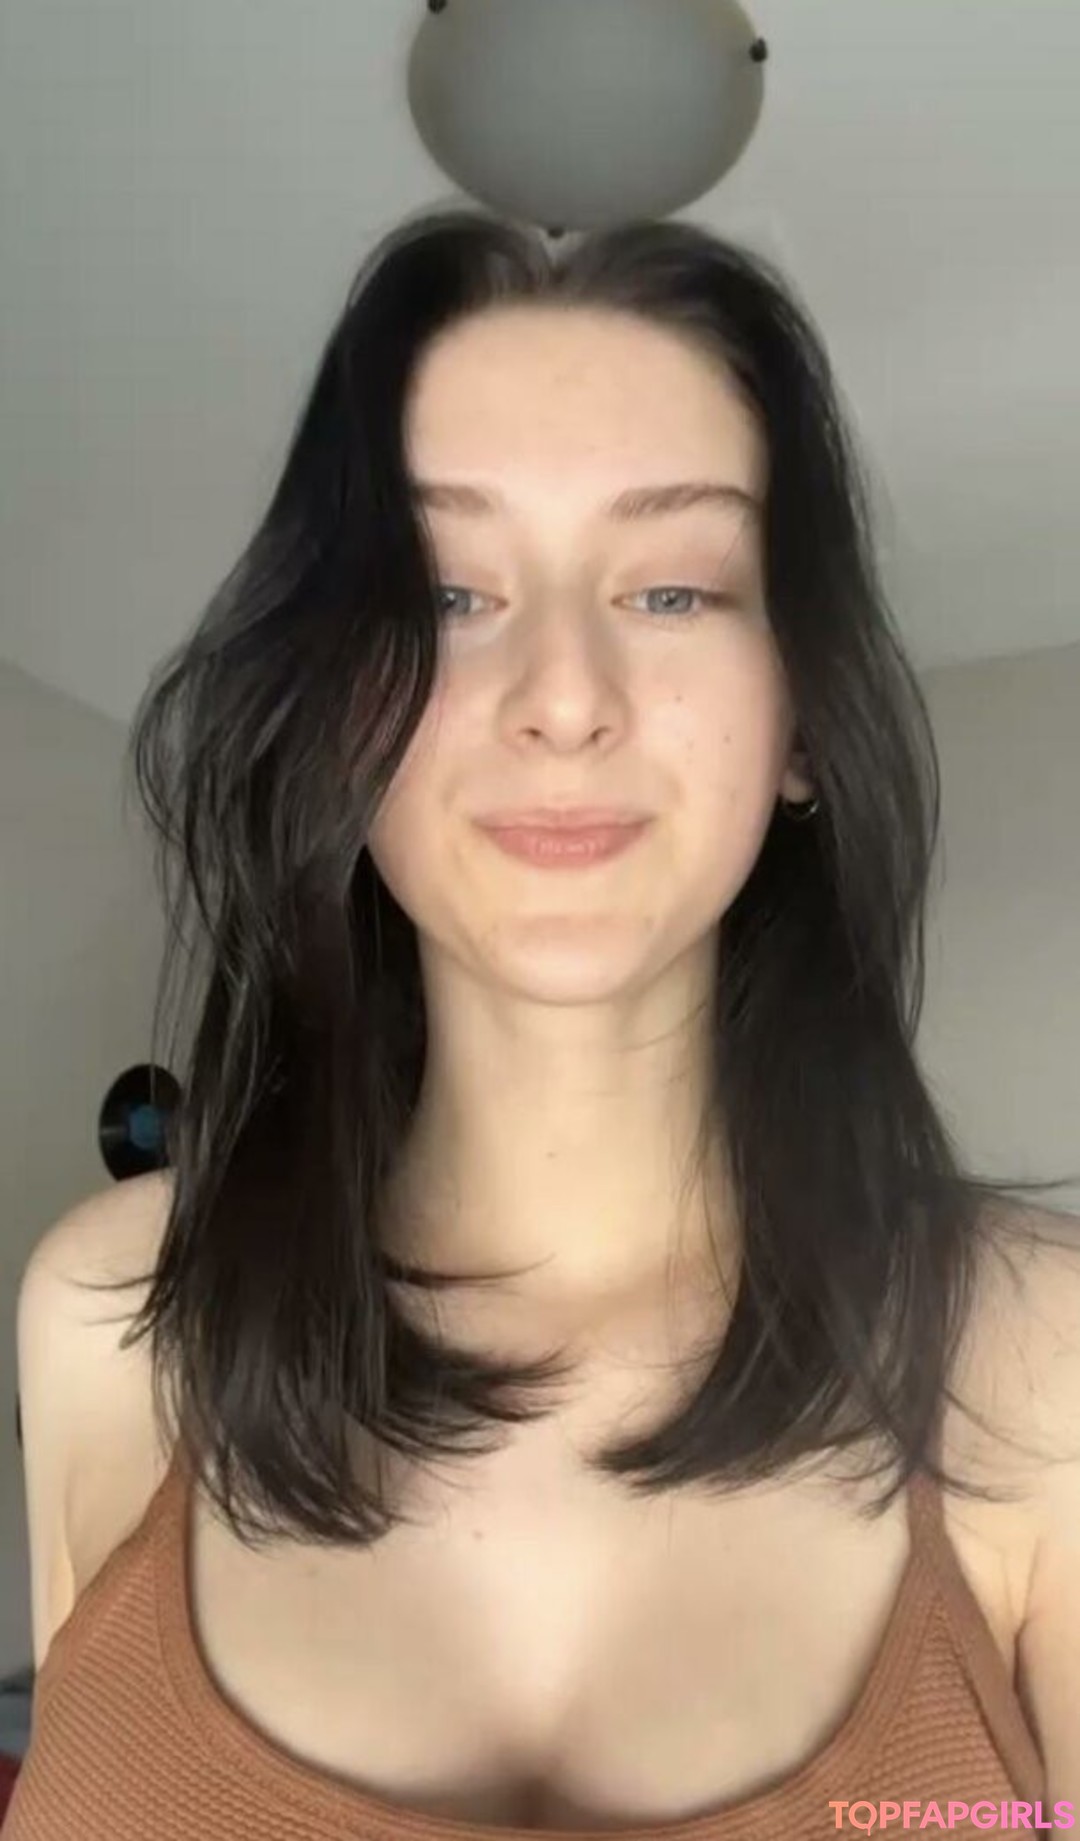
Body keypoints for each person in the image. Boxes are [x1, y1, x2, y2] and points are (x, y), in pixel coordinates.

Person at [8, 209, 1080, 1839]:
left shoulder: (1043, 1361)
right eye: (446, 591)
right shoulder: (107, 1320)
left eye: (673, 588)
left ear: (802, 713)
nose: (564, 696)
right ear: (336, 711)